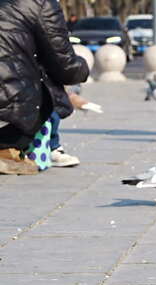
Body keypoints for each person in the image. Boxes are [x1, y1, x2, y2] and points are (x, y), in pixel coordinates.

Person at [0, 0, 89, 175]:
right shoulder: (40, 3)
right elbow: (66, 66)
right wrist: (83, 67)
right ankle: (7, 149)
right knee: (47, 82)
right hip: (10, 111)